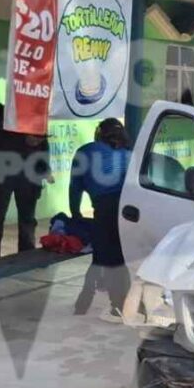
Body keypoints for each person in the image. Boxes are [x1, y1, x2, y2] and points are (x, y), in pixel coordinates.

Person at [70, 118, 131, 321]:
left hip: (104, 210)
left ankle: (118, 306)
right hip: (130, 210)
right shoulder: (129, 154)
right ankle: (86, 301)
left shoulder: (85, 151)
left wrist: (75, 213)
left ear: (99, 134)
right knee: (116, 257)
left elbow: (75, 188)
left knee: (109, 258)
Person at [0, 103, 53, 259]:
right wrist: (23, 141)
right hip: (3, 174)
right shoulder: (2, 115)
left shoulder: (36, 115)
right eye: (34, 139)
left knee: (27, 219)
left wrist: (45, 171)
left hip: (28, 178)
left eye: (39, 139)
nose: (36, 142)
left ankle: (26, 256)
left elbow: (43, 150)